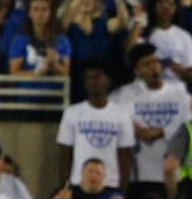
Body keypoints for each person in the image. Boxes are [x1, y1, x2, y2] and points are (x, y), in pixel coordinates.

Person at [113, 43, 192, 199]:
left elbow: (190, 125)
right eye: (147, 64)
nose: (153, 68)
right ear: (137, 71)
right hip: (140, 175)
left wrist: (160, 132)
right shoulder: (125, 94)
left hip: (174, 175)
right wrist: (132, 128)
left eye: (155, 62)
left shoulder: (179, 92)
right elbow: (112, 115)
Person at [56, 64, 136, 192]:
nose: (92, 82)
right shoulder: (72, 112)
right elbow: (65, 154)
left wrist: (123, 189)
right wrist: (64, 186)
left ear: (108, 80)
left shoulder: (122, 114)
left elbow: (125, 155)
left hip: (110, 184)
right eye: (88, 78)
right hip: (79, 183)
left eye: (97, 77)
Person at [41, 159, 134, 199]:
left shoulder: (113, 195)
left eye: (98, 173)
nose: (93, 176)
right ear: (81, 173)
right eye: (90, 171)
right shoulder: (67, 192)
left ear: (104, 176)